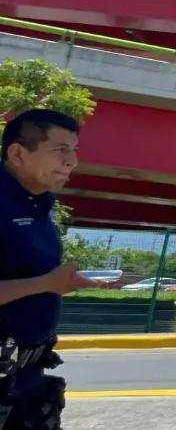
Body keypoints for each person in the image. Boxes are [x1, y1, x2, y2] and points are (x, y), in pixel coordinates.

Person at [0, 109, 100, 429]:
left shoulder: (41, 205)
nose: (72, 161)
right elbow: (40, 281)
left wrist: (62, 282)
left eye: (74, 150)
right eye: (60, 150)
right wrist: (46, 283)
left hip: (26, 379)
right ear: (17, 154)